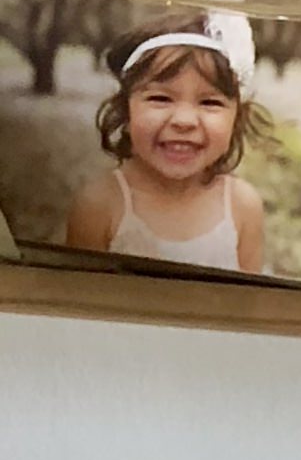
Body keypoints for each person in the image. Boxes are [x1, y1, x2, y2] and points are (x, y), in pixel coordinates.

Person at [65, 18, 267, 275]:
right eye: (160, 98)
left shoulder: (242, 206)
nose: (183, 121)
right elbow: (78, 305)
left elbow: (249, 306)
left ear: (236, 117)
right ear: (125, 112)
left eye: (209, 103)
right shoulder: (100, 205)